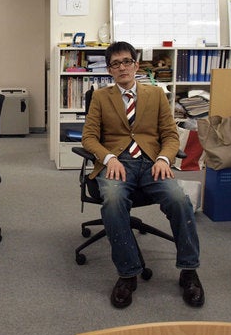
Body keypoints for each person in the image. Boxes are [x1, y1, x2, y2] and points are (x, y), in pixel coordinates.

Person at [81, 41, 204, 309]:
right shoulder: (101, 97)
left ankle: (189, 270)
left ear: (136, 65)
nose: (122, 67)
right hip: (117, 162)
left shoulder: (156, 94)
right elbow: (88, 137)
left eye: (126, 61)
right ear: (109, 70)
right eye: (115, 64)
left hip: (152, 162)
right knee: (113, 201)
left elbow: (170, 135)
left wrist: (164, 158)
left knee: (179, 201)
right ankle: (128, 274)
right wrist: (109, 158)